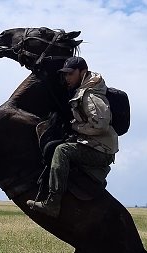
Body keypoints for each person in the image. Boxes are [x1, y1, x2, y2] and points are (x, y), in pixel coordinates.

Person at [26, 56, 119, 217]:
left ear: (82, 72)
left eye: (70, 74)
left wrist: (77, 128)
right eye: (65, 74)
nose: (67, 78)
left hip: (100, 150)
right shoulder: (83, 90)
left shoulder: (91, 95)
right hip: (93, 144)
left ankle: (53, 203)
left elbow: (101, 124)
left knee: (62, 151)